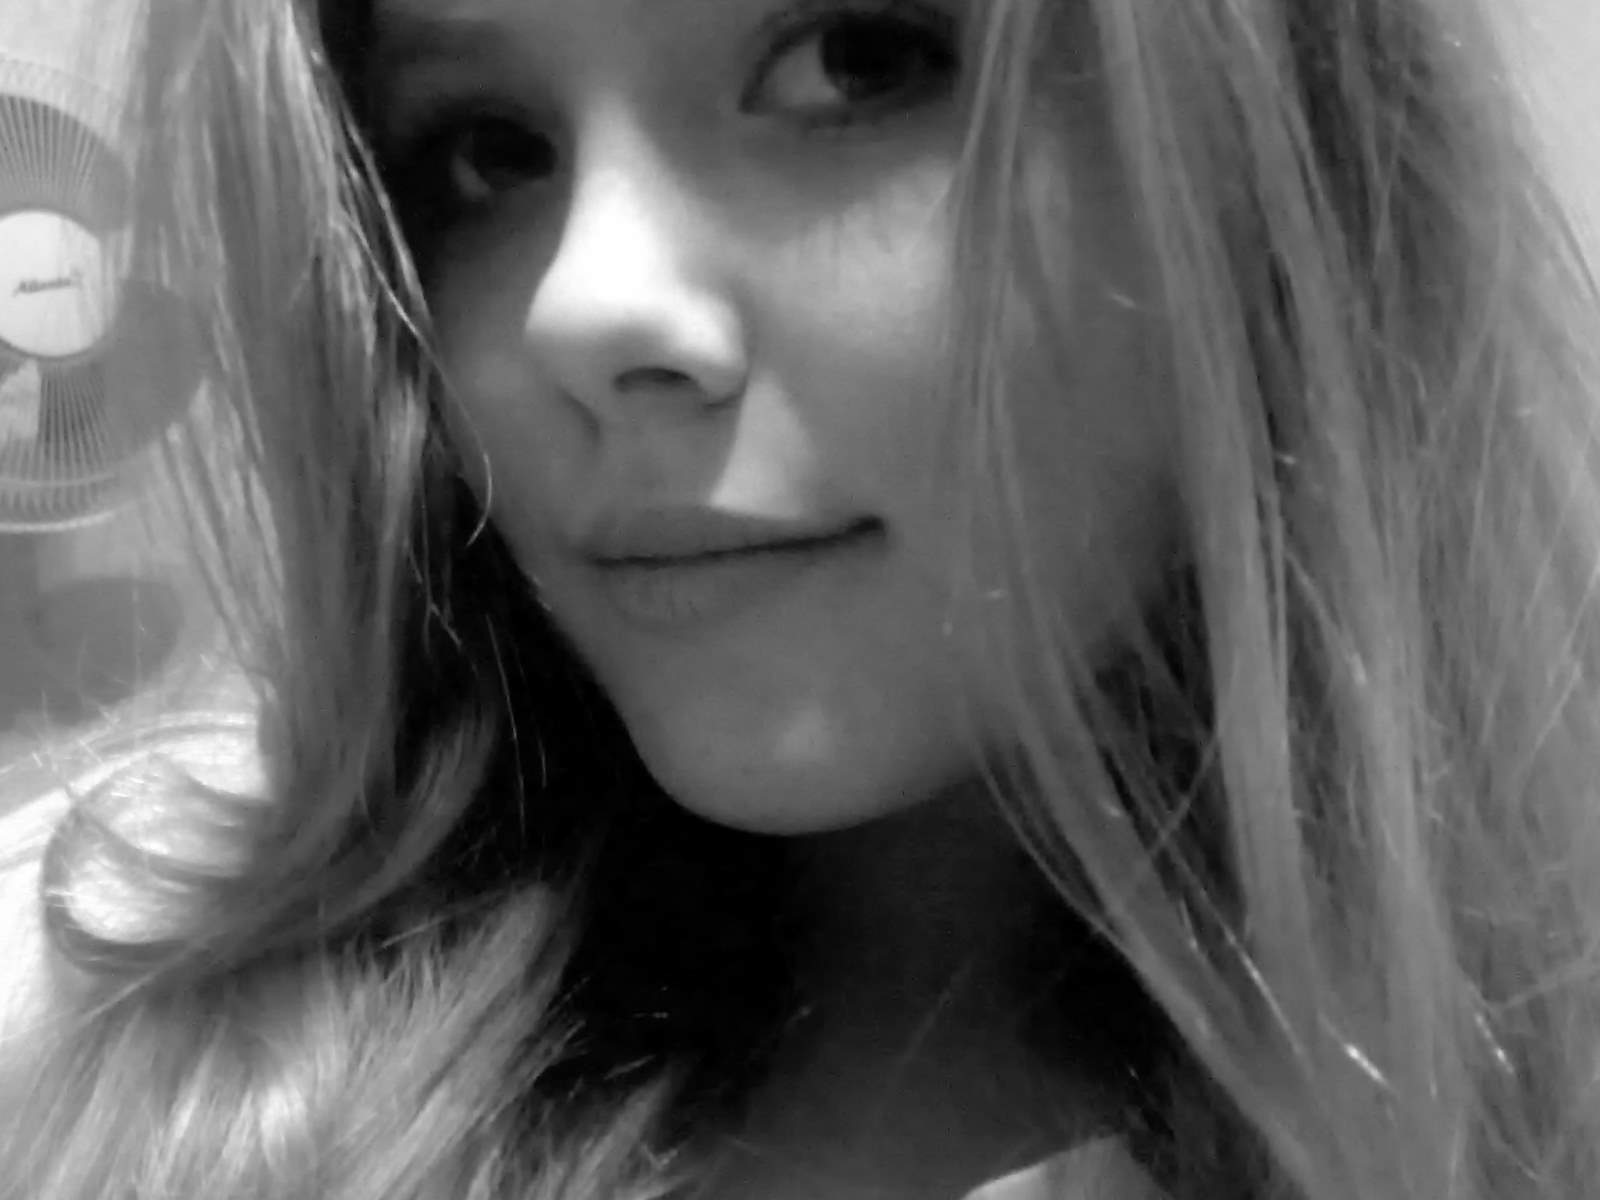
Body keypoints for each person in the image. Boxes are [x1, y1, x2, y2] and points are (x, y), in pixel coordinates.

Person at [5, 0, 1600, 1196]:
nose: (586, 303)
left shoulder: (1534, 1085)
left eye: (857, 60)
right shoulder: (104, 1004)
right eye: (486, 151)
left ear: (1298, 160)